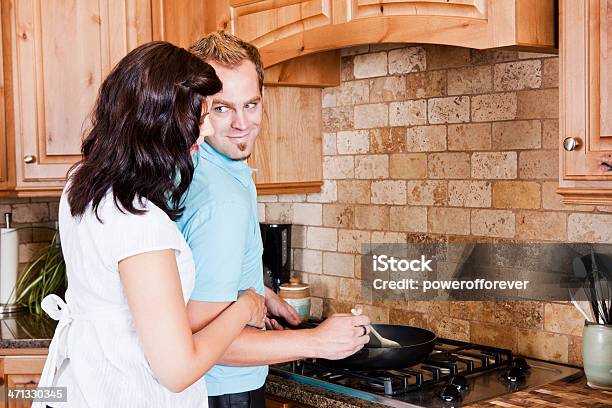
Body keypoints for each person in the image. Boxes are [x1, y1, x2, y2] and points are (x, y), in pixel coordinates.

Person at [34, 41, 266, 408]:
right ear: (160, 126)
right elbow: (178, 369)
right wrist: (246, 307)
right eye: (198, 118)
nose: (204, 132)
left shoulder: (83, 182)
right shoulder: (141, 224)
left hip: (79, 386)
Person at [177, 31, 371, 408]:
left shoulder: (210, 168)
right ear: (195, 108)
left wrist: (260, 294)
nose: (241, 123)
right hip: (222, 391)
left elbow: (194, 281)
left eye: (250, 104)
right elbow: (200, 341)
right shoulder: (222, 200)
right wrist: (319, 342)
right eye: (221, 108)